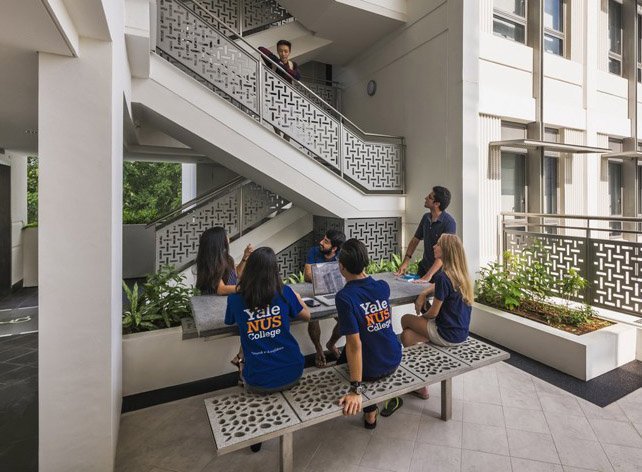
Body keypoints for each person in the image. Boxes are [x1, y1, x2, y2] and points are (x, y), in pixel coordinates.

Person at [224, 246, 311, 453]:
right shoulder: (284, 292)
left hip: (257, 380)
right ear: (275, 270)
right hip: (293, 371)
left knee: (243, 358)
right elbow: (307, 315)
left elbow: (230, 321)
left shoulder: (235, 299)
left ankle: (257, 431)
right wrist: (297, 300)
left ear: (250, 269)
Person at [384, 234, 473, 413]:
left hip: (445, 333)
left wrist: (421, 315)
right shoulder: (460, 275)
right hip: (460, 333)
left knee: (405, 320)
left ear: (445, 251)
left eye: (438, 244)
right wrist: (424, 293)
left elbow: (433, 313)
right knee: (407, 335)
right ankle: (420, 383)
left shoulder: (442, 278)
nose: (434, 246)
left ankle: (417, 372)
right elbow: (439, 288)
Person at [335, 239, 402, 429]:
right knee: (349, 353)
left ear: (341, 267)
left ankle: (370, 413)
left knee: (345, 356)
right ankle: (370, 416)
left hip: (372, 370)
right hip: (393, 358)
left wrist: (356, 389)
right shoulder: (382, 286)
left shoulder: (344, 297)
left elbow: (355, 346)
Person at [195, 226, 253, 371]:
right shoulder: (212, 262)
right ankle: (241, 359)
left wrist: (245, 258)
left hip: (228, 301)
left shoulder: (227, 258)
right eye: (226, 235)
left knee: (252, 323)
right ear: (219, 241)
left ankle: (240, 358)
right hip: (217, 307)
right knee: (251, 322)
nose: (228, 238)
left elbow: (236, 274)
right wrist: (248, 288)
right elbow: (221, 289)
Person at [395, 186, 456, 286]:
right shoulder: (426, 217)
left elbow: (444, 254)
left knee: (436, 299)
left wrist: (429, 275)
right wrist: (405, 262)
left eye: (430, 197)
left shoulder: (449, 223)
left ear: (437, 204)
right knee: (418, 298)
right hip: (424, 266)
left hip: (440, 272)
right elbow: (415, 240)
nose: (425, 198)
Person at [304, 229, 346, 367]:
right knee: (313, 317)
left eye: (326, 242)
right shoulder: (313, 251)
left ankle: (331, 344)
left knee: (345, 319)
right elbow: (307, 275)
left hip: (336, 292)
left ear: (334, 248)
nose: (321, 242)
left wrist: (321, 275)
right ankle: (318, 348)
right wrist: (331, 276)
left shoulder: (342, 255)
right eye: (323, 239)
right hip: (315, 292)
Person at [258, 40, 301, 141]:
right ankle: (277, 136)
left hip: (288, 97)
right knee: (275, 117)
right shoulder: (272, 61)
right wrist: (277, 61)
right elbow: (260, 49)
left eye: (286, 51)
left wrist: (284, 68)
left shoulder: (292, 64)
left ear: (289, 52)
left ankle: (286, 141)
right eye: (280, 51)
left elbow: (298, 76)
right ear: (277, 51)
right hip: (275, 94)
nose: (283, 53)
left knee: (289, 120)